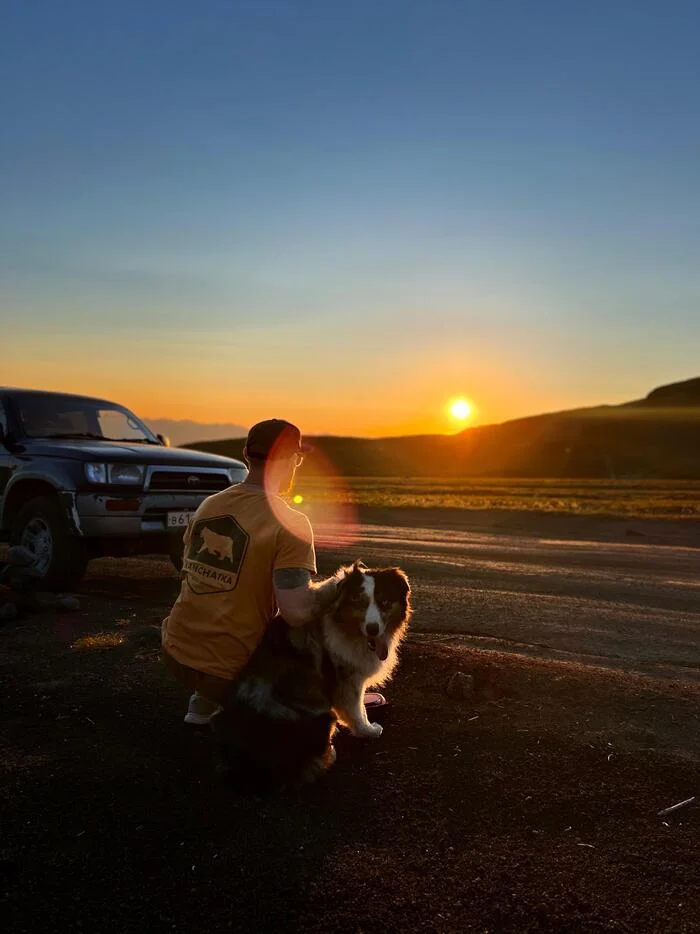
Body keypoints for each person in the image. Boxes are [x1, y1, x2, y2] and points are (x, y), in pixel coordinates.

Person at [161, 418, 383, 725]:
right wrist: (336, 587)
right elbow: (296, 613)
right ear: (292, 459)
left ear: (245, 454)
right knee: (306, 619)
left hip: (177, 653)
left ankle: (205, 699)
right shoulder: (289, 522)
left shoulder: (209, 506)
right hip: (231, 671)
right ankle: (326, 697)